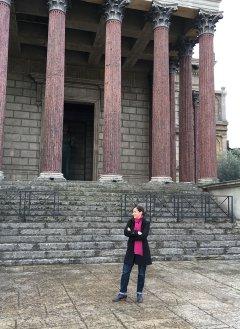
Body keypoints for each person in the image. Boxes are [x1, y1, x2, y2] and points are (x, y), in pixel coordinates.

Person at [113, 205, 152, 303]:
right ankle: (122, 293)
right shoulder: (130, 221)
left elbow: (144, 236)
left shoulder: (146, 223)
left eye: (135, 212)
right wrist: (137, 233)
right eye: (133, 212)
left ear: (140, 212)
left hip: (142, 252)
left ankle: (139, 294)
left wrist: (133, 232)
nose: (133, 213)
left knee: (141, 274)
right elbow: (126, 232)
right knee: (125, 272)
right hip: (131, 251)